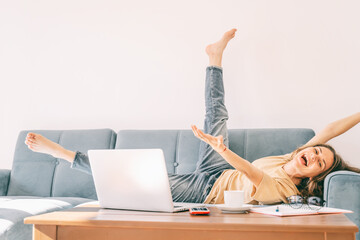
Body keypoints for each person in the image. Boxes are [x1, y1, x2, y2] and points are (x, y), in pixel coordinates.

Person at [25, 29, 360, 205]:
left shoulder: (286, 188)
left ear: (316, 175)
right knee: (217, 113)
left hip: (204, 190)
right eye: (316, 150)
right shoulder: (294, 156)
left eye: (318, 160)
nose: (313, 154)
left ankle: (63, 154)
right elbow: (329, 130)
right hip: (220, 169)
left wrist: (222, 148)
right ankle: (214, 57)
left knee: (135, 177)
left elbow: (254, 175)